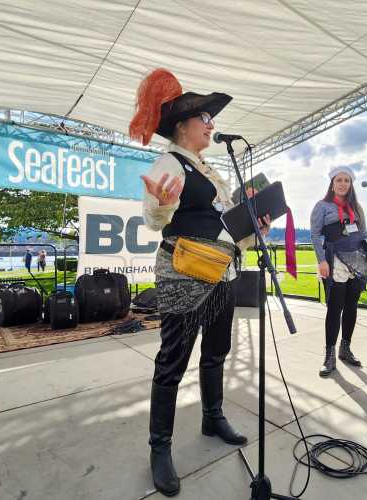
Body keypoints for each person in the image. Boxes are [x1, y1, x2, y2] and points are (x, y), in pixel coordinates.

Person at [130, 68, 270, 497]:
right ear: (182, 126)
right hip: (185, 275)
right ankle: (159, 449)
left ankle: (212, 417)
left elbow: (222, 225)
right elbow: (154, 219)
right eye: (205, 119)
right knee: (172, 361)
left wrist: (253, 224)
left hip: (222, 272)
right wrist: (161, 205)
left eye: (211, 119)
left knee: (216, 352)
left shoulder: (207, 167)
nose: (212, 125)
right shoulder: (169, 162)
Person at [310, 166, 367, 377]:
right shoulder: (322, 206)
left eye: (346, 180)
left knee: (351, 307)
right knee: (334, 308)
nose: (342, 184)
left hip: (358, 260)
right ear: (332, 183)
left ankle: (345, 349)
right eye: (339, 180)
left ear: (350, 184)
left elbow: (364, 233)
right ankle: (329, 356)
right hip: (335, 260)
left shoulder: (356, 207)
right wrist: (322, 261)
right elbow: (315, 235)